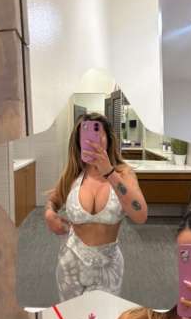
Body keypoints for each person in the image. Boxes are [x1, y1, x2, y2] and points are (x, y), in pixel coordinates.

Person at [45, 112, 148, 301]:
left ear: (108, 138)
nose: (93, 141)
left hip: (108, 266)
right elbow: (53, 201)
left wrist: (109, 172)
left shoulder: (123, 174)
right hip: (70, 263)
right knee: (72, 314)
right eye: (85, 136)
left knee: (103, 315)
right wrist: (49, 214)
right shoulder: (73, 174)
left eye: (98, 134)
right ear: (78, 142)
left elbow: (140, 215)